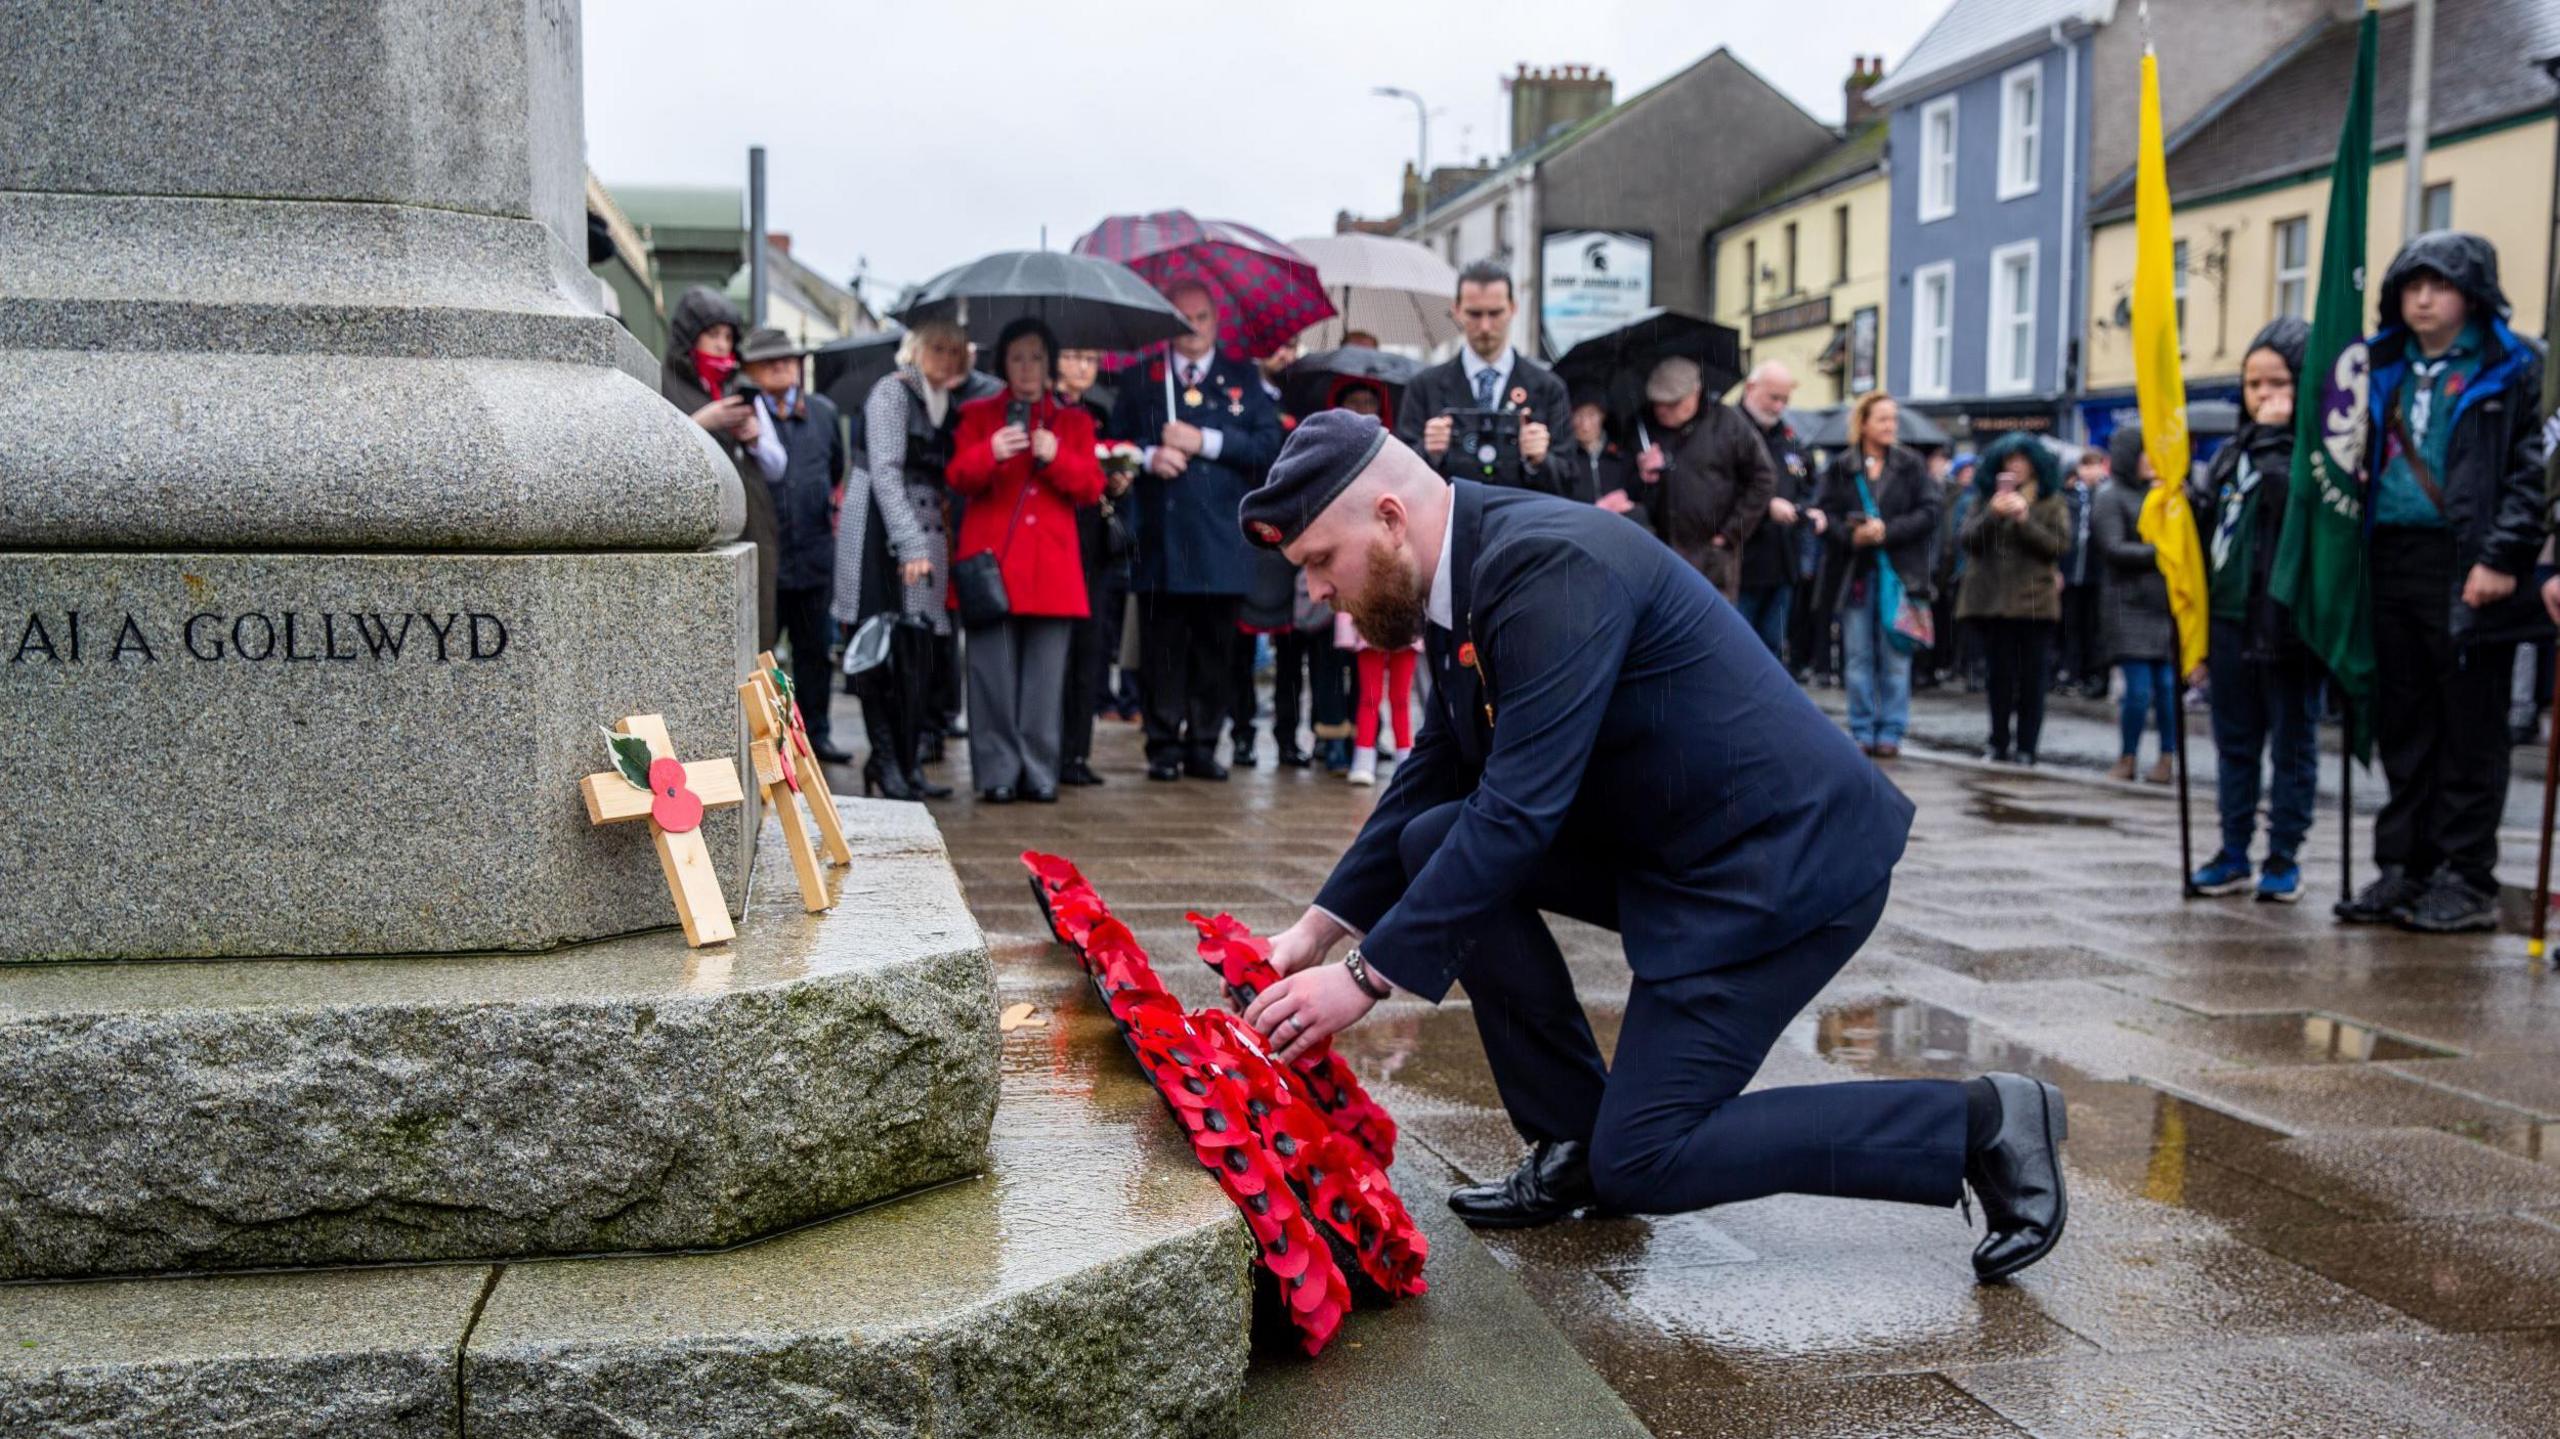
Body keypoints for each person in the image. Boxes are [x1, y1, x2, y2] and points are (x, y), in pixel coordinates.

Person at [1232, 411, 2068, 1284]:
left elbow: (1518, 810)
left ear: (1391, 519)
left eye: (1322, 561)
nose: (1318, 591)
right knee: (1433, 833)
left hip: (1781, 869)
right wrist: (1316, 929)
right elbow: (1439, 768)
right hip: (1686, 848)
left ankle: (1982, 1124)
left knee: (1649, 1158)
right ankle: (1572, 1142)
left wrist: (1364, 978)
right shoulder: (1465, 569)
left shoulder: (1543, 565)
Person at [2338, 233, 2549, 932]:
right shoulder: (2380, 367)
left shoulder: (2515, 366)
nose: (2424, 298)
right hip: (2390, 560)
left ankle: (2466, 875)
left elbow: (2532, 474)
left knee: (2470, 729)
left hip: (2470, 564)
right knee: (2405, 721)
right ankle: (2405, 866)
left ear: (2473, 292)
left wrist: (2503, 555)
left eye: (2441, 285)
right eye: (2412, 284)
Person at [1110, 280, 1285, 781]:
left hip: (1220, 541)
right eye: (1182, 320)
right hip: (1162, 539)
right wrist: (1148, 455)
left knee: (1215, 650)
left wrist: (1203, 440)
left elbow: (1267, 447)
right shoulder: (1142, 379)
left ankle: (1205, 741)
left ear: (1216, 320)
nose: (1192, 330)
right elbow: (1113, 441)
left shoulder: (1241, 378)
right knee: (1162, 649)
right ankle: (1162, 743)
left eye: (1201, 318)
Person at [945, 319, 1106, 804]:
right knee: (990, 676)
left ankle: (1039, 771)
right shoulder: (976, 415)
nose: (1028, 367)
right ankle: (996, 772)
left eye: (1037, 357)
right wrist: (988, 452)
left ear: (1050, 364)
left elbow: (1092, 488)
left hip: (1051, 572)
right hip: (992, 567)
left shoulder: (1074, 421)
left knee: (1043, 682)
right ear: (1003, 364)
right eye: (1018, 357)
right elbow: (957, 477)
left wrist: (1057, 457)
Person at [837, 321, 999, 800]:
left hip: (927, 531)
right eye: (938, 348)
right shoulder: (892, 392)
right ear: (918, 348)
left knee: (916, 650)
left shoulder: (943, 401)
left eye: (956, 351)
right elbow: (885, 470)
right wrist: (908, 545)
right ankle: (886, 760)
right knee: (879, 645)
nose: (947, 358)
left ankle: (907, 762)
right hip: (880, 530)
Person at [2188, 319, 2320, 903]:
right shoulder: (2229, 453)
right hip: (2232, 617)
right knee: (2234, 743)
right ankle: (2233, 848)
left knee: (2292, 743)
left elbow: (2290, 502)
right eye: (2253, 385)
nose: (2264, 397)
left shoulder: (2316, 452)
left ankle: (2284, 854)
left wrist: (2274, 441)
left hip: (2290, 622)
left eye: (2279, 384)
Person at [736, 328, 851, 761]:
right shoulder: (745, 414)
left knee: (815, 655)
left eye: (786, 359)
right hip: (767, 556)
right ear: (751, 371)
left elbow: (835, 468)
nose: (780, 366)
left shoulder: (822, 412)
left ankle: (817, 736)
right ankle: (770, 742)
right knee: (763, 654)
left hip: (815, 554)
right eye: (768, 361)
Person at [1813, 392, 1938, 756]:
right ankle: (1862, 728)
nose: (1889, 426)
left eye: (1893, 420)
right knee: (1857, 656)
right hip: (1856, 574)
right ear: (1863, 423)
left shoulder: (1911, 465)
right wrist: (1853, 535)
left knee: (1897, 655)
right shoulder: (1841, 467)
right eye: (1882, 419)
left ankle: (1891, 732)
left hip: (1899, 577)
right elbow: (1825, 516)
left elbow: (1930, 513)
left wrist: (1888, 530)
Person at [659, 286, 780, 650]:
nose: (721, 344)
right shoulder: (665, 383)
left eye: (728, 336)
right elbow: (660, 454)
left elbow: (778, 466)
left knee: (758, 624)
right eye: (712, 334)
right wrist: (703, 421)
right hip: (698, 525)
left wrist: (754, 437)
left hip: (753, 517)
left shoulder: (739, 386)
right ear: (690, 337)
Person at [1394, 260, 1572, 495]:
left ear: (1512, 308)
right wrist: (1429, 453)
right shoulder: (1424, 387)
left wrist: (1540, 460)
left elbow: (1569, 480)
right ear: (1456, 310)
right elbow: (1399, 477)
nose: (1485, 326)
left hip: (1521, 524)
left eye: (1495, 313)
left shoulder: (1549, 388)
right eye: (1474, 314)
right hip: (1451, 525)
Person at [1958, 435, 2069, 765]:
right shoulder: (1984, 500)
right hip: (1994, 601)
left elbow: (2058, 546)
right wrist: (1993, 514)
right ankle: (1998, 741)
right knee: (1999, 677)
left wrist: (2024, 520)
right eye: (2009, 461)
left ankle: (2027, 746)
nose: (2015, 467)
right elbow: (1968, 540)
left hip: (2035, 602)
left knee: (2034, 679)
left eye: (2022, 460)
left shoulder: (2051, 502)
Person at [1628, 357, 1776, 598]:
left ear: (1694, 394)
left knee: (1714, 627)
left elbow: (1763, 478)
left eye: (1671, 403)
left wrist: (1730, 535)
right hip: (1662, 551)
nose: (1662, 410)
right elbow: (1630, 491)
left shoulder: (1728, 423)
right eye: (1657, 403)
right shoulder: (1643, 427)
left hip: (1712, 555)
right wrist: (1642, 474)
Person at [2091, 425, 2180, 784]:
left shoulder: (2160, 495)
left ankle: (2167, 759)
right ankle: (2127, 757)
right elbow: (2112, 548)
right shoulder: (2110, 497)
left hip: (2161, 607)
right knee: (2139, 691)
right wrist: (2162, 554)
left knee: (2168, 688)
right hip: (2127, 607)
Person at [1056, 348, 1126, 787]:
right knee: (1054, 654)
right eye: (1073, 357)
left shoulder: (1100, 410)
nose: (1083, 367)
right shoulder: (1043, 412)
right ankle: (1051, 747)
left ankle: (1076, 752)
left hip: (1093, 545)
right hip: (1056, 536)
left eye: (1090, 359)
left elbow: (1107, 479)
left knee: (1089, 650)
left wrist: (1117, 481)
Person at [1733, 361, 1820, 658]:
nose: (1779, 406)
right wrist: (1764, 506)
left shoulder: (1790, 439)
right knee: (1737, 650)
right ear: (1751, 389)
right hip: (1741, 562)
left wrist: (1806, 510)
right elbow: (1714, 490)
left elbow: (1809, 485)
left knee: (1772, 650)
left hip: (1783, 561)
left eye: (1785, 400)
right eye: (1773, 397)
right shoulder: (1727, 429)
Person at [2056, 447, 2108, 697]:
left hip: (2096, 573)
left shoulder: (2106, 493)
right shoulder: (2070, 496)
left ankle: (2093, 673)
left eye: (2094, 465)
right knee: (2071, 625)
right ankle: (2072, 672)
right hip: (2071, 572)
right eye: (2085, 466)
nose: (2090, 471)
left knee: (2093, 627)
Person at [1551, 393, 1636, 513]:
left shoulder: (1620, 456)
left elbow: (1636, 497)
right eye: (1578, 415)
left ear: (1602, 416)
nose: (1585, 425)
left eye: (1592, 415)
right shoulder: (1563, 460)